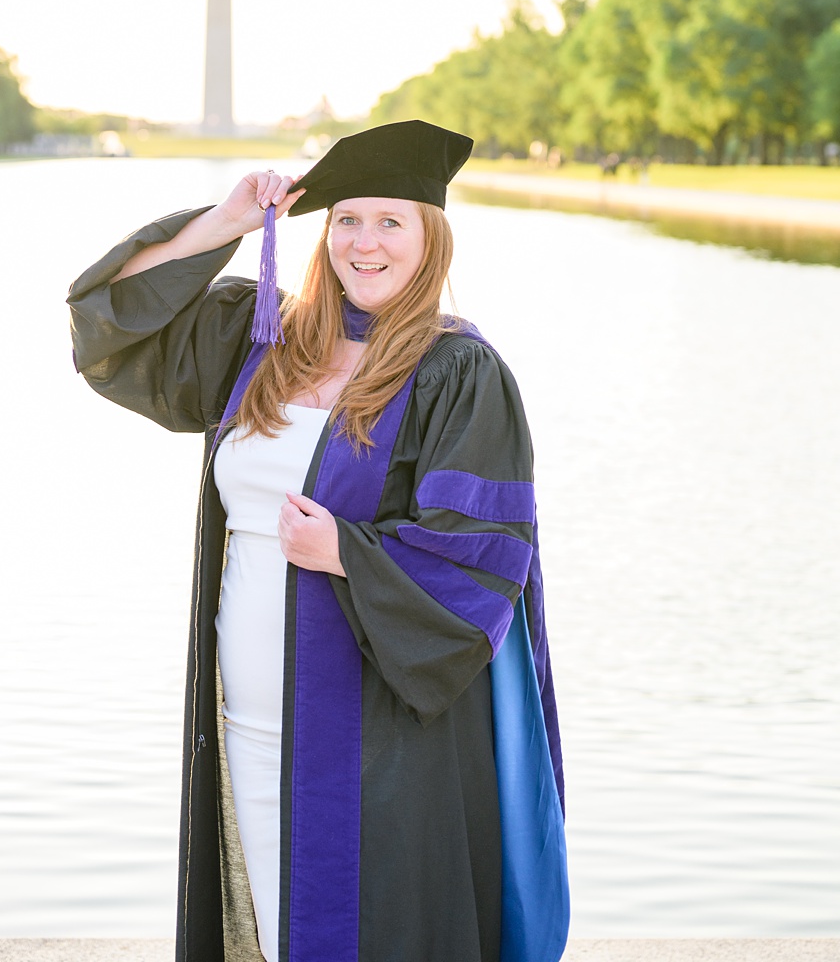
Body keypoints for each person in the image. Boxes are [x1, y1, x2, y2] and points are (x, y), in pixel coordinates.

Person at [67, 119, 569, 962]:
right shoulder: (264, 338)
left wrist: (347, 551)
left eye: (390, 222)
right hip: (245, 721)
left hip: (378, 745)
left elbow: (483, 561)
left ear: (431, 238)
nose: (363, 243)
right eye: (347, 219)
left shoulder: (458, 372)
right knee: (269, 934)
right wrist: (223, 225)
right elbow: (108, 328)